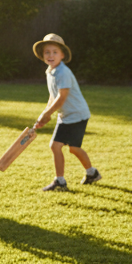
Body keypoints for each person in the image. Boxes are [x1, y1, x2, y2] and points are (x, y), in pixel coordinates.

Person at [33, 33, 100, 192]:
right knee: (66, 147)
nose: (51, 55)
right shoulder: (50, 71)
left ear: (62, 55)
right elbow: (53, 95)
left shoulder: (63, 72)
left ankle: (61, 182)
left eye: (55, 52)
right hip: (67, 115)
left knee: (62, 147)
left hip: (77, 115)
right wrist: (44, 114)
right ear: (43, 55)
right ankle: (91, 173)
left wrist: (48, 114)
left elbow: (61, 98)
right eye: (47, 52)